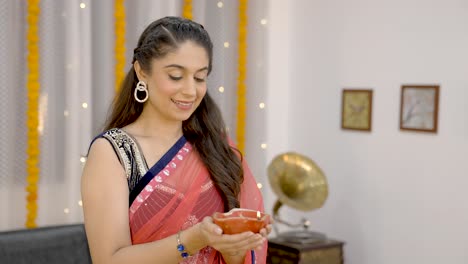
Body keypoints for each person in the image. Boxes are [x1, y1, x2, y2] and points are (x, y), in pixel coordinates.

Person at [81, 16, 271, 264]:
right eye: (175, 76)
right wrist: (194, 239)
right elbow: (109, 260)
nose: (191, 91)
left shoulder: (215, 147)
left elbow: (233, 259)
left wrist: (235, 247)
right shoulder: (114, 152)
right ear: (141, 71)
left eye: (200, 77)